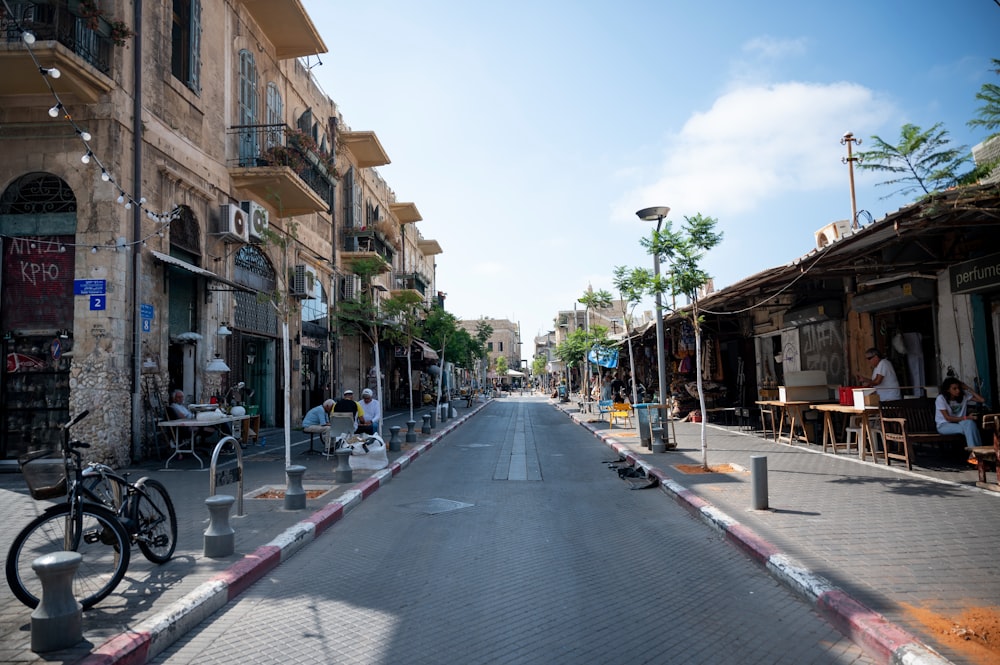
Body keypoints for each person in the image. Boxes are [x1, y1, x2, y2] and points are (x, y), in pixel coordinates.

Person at [934, 378, 985, 448]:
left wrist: (968, 388)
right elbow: (948, 418)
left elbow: (982, 400)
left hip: (960, 422)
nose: (958, 391)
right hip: (944, 425)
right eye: (954, 389)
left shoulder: (963, 395)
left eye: (958, 388)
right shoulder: (941, 398)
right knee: (971, 428)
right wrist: (967, 417)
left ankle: (975, 453)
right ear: (948, 390)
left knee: (970, 424)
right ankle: (977, 453)